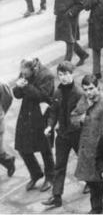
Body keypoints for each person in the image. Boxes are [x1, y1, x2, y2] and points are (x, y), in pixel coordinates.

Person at [72, 74, 103, 214]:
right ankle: (96, 208)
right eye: (85, 89)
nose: (88, 92)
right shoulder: (84, 101)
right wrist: (81, 118)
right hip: (87, 149)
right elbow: (73, 117)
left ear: (98, 87)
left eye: (91, 89)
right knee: (92, 183)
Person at [42, 62, 84, 209]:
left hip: (77, 135)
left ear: (72, 74)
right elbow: (53, 112)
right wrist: (49, 126)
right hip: (62, 135)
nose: (64, 78)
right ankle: (57, 196)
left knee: (84, 160)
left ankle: (92, 184)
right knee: (59, 166)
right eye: (61, 75)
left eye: (66, 74)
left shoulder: (79, 93)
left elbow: (82, 115)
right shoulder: (57, 93)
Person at [13, 58, 54, 191]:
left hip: (42, 114)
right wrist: (18, 87)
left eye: (25, 74)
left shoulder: (47, 75)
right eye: (22, 73)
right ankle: (36, 173)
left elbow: (42, 96)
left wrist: (26, 86)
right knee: (21, 146)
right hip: (26, 114)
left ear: (33, 69)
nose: (23, 75)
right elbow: (17, 95)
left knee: (45, 148)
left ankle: (50, 177)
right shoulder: (25, 72)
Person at [54, 0, 88, 65]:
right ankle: (83, 54)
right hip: (60, 17)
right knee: (68, 38)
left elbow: (82, 4)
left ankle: (65, 65)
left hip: (71, 18)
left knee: (70, 40)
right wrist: (56, 10)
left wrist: (71, 13)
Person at [0, 79, 16, 178]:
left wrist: (1, 112)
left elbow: (8, 98)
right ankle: (7, 160)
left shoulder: (1, 85)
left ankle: (8, 161)